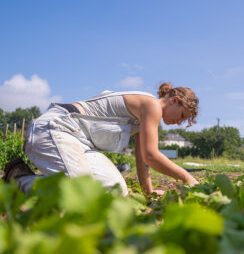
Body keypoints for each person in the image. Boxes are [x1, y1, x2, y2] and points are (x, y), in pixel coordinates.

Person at [3, 82, 200, 196]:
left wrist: (148, 193)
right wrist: (187, 177)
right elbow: (152, 155)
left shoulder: (144, 116)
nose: (178, 123)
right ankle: (20, 181)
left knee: (116, 190)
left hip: (79, 141)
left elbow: (142, 159)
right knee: (82, 192)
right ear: (174, 100)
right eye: (182, 116)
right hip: (54, 129)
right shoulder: (151, 105)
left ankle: (23, 177)